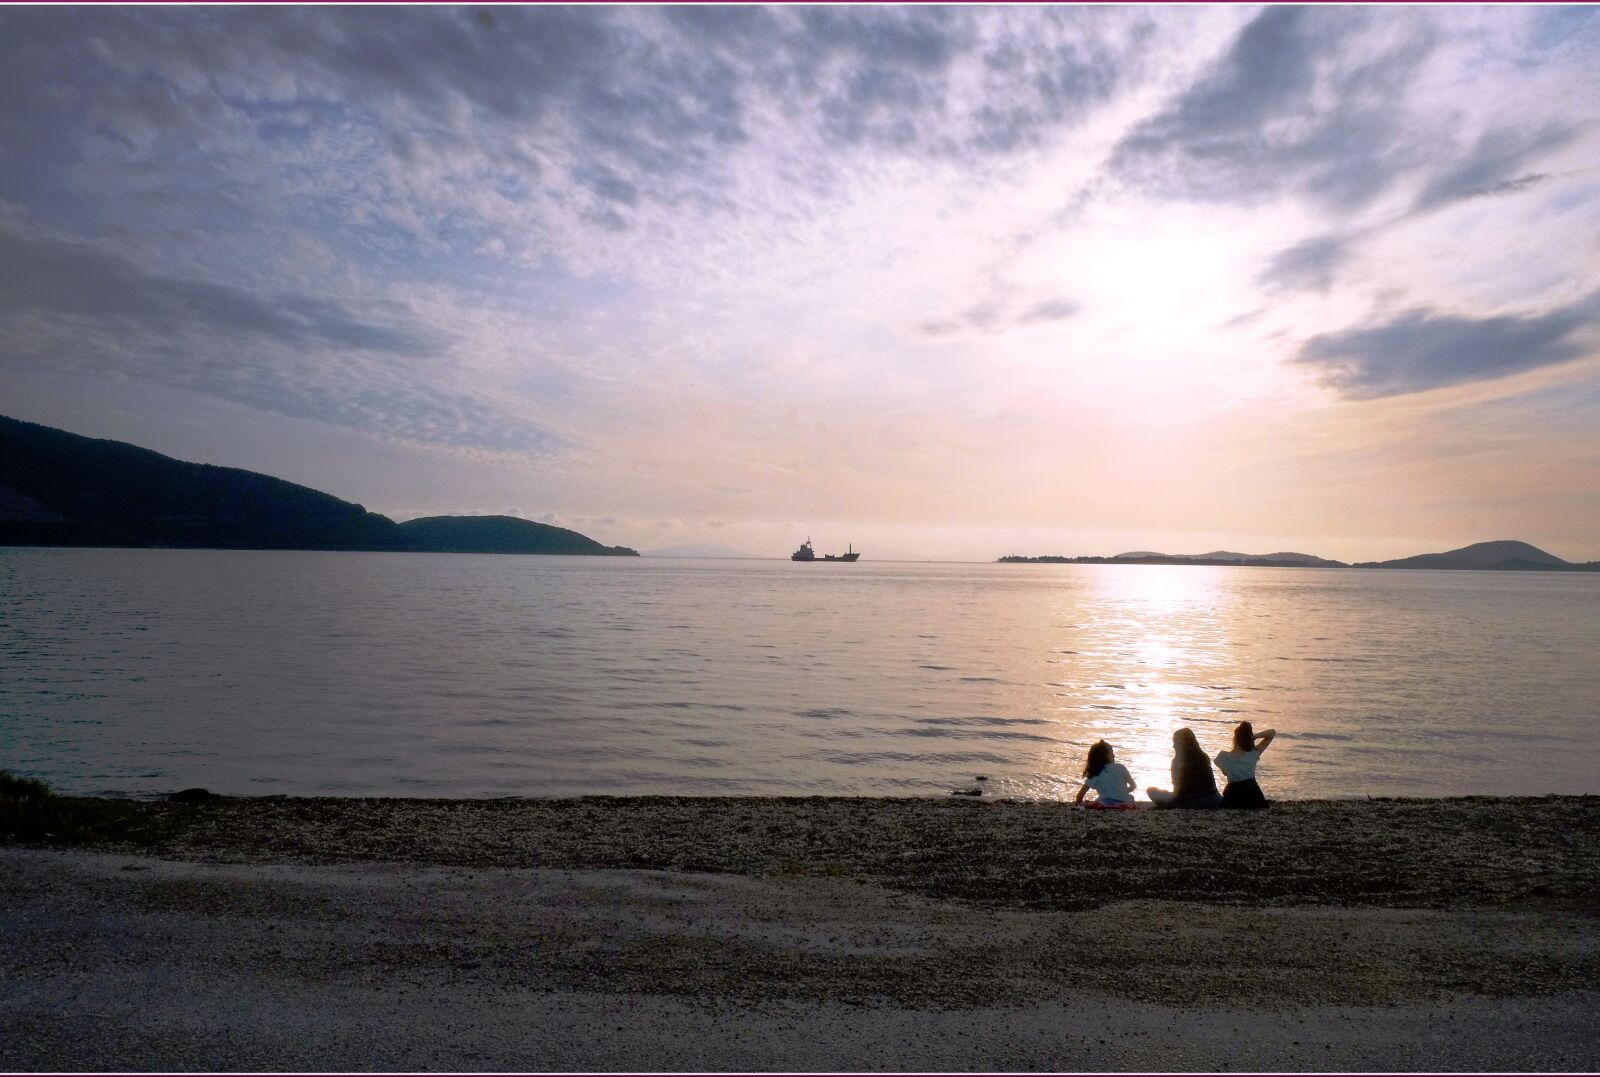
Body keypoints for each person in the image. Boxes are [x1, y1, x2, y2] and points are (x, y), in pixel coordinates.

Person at [1146, 728, 1223, 809]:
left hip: (1189, 803)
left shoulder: (1177, 761)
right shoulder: (1204, 756)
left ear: (1180, 744)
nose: (1173, 746)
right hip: (1214, 800)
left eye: (1175, 743)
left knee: (1151, 791)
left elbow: (1177, 792)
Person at [1214, 720, 1276, 809]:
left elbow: (1225, 773)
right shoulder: (1254, 753)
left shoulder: (1222, 757)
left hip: (1233, 796)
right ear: (1249, 739)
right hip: (1253, 796)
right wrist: (1253, 737)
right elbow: (1272, 733)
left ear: (1235, 738)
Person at [1073, 739, 1137, 809]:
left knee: (1090, 803)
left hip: (1105, 804)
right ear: (1106, 755)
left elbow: (1080, 795)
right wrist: (1121, 792)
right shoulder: (1121, 767)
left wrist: (1078, 803)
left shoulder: (1095, 772)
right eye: (1112, 752)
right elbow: (1133, 786)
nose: (1114, 755)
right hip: (1126, 803)